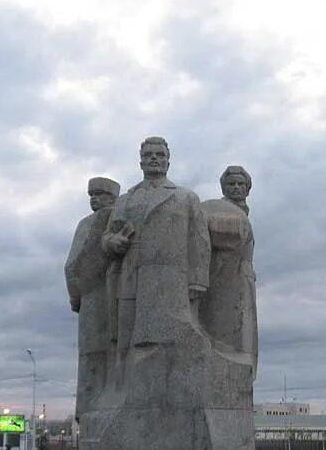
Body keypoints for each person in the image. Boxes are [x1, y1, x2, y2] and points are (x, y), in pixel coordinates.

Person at [102, 137, 210, 361]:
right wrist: (112, 242)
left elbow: (199, 240)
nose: (154, 158)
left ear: (168, 162)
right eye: (148, 155)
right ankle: (123, 387)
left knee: (172, 339)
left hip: (171, 278)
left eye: (159, 155)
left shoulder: (185, 197)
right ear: (140, 163)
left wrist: (198, 279)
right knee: (126, 338)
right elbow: (108, 235)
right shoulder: (125, 200)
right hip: (132, 277)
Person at [64, 176, 121, 421]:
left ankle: (93, 406)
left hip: (98, 296)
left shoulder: (92, 223)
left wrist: (75, 296)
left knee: (96, 355)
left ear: (112, 197)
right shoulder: (114, 218)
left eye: (100, 194)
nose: (95, 199)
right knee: (104, 353)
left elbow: (73, 266)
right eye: (92, 195)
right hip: (112, 295)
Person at [199, 165, 258, 362]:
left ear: (247, 188)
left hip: (244, 278)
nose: (236, 187)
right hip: (222, 280)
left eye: (241, 184)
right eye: (231, 184)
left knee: (244, 337)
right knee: (227, 339)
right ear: (223, 188)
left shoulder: (244, 213)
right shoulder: (216, 211)